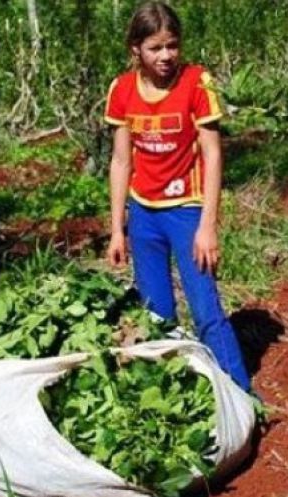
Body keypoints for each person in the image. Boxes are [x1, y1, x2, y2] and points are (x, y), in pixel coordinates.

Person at [104, 1, 251, 392]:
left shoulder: (197, 83)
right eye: (155, 48)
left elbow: (213, 154)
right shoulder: (121, 90)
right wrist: (117, 229)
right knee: (157, 313)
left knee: (206, 310)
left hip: (186, 210)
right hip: (144, 214)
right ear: (136, 49)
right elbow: (121, 161)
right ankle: (179, 391)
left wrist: (207, 226)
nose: (166, 56)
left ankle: (240, 395)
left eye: (172, 45)